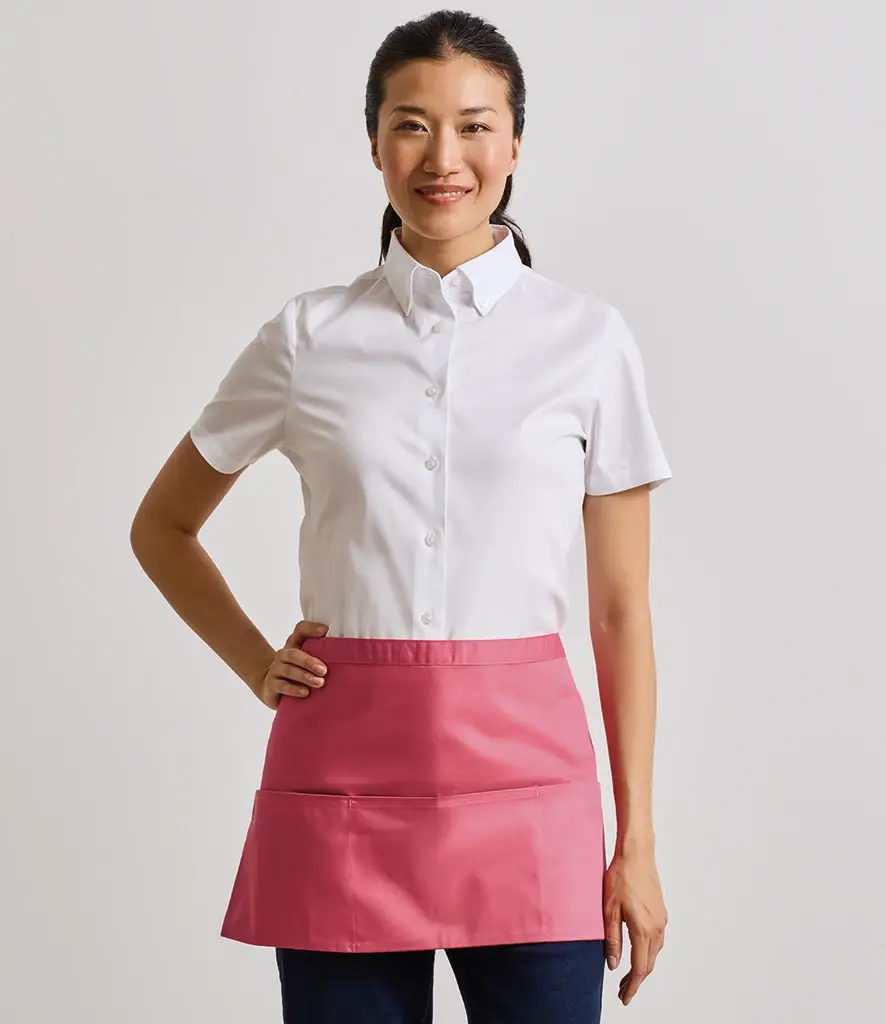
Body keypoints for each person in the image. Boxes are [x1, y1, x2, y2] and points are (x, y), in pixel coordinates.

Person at [130, 9, 672, 1023]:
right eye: (411, 125)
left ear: (516, 143)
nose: (443, 157)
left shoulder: (589, 341)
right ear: (374, 141)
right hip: (341, 773)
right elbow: (161, 527)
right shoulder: (308, 336)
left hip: (532, 791)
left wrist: (635, 842)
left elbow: (620, 613)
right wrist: (254, 661)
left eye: (474, 125)